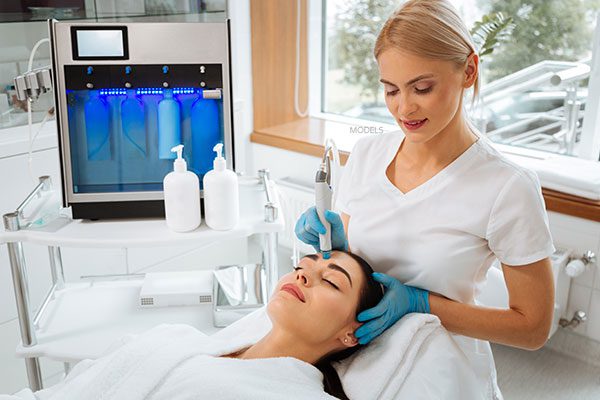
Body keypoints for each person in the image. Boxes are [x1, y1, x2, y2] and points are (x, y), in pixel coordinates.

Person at [295, 1, 555, 398]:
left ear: (468, 71)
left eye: (422, 88)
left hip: (438, 371)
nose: (404, 108)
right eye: (391, 90)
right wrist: (336, 245)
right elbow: (357, 266)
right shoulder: (368, 154)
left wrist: (421, 303)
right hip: (357, 359)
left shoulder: (507, 187)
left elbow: (533, 329)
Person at [5, 251, 383, 400]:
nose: (303, 276)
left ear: (350, 332)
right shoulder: (180, 340)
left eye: (331, 281)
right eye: (303, 266)